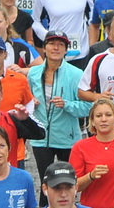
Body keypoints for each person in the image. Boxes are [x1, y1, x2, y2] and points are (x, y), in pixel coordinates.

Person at [28, 30, 93, 173]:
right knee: (45, 183)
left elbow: (89, 107)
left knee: (67, 182)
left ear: (66, 50)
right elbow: (24, 101)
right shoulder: (33, 73)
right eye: (51, 44)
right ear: (44, 48)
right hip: (40, 138)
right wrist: (30, 101)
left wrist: (67, 105)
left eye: (60, 45)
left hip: (67, 139)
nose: (56, 48)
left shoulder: (76, 74)